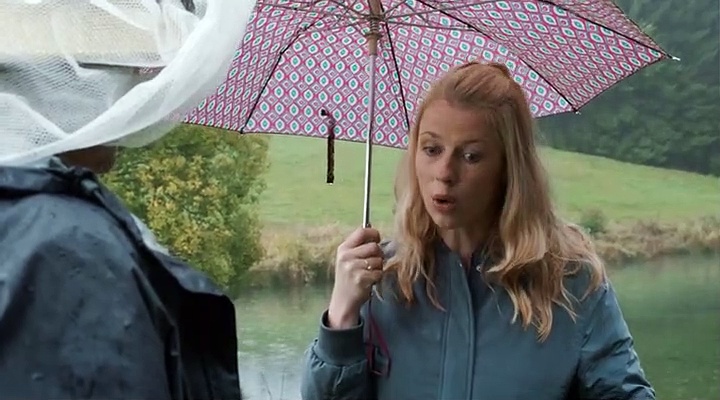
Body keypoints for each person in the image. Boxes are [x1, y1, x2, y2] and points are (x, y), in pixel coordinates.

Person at [300, 62, 654, 400]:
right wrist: (342, 316)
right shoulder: (378, 281)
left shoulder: (572, 285)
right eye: (431, 149)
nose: (444, 173)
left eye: (470, 156)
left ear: (509, 168)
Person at [0, 0, 256, 398]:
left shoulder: (28, 217)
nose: (139, 78)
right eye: (118, 62)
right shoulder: (70, 249)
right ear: (58, 76)